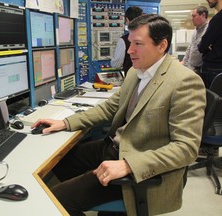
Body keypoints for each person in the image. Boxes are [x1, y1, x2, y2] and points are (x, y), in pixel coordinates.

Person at [32, 14, 206, 216]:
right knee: (60, 163)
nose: (130, 50)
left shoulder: (184, 82)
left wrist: (128, 165)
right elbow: (109, 108)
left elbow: (186, 148)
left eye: (138, 44)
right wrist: (65, 122)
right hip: (115, 147)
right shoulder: (136, 71)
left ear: (162, 45)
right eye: (130, 42)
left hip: (140, 162)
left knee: (55, 199)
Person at [110, 6, 143, 74]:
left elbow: (116, 64)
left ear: (127, 20)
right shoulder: (148, 38)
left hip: (131, 79)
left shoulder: (123, 40)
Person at [199, 0, 222, 88]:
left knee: (212, 99)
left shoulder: (218, 19)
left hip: (214, 70)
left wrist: (208, 46)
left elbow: (202, 46)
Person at [181, 6, 208, 74]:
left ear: (203, 15)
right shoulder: (195, 30)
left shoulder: (209, 30)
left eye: (194, 16)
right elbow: (191, 47)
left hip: (203, 69)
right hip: (192, 67)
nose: (191, 18)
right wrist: (184, 61)